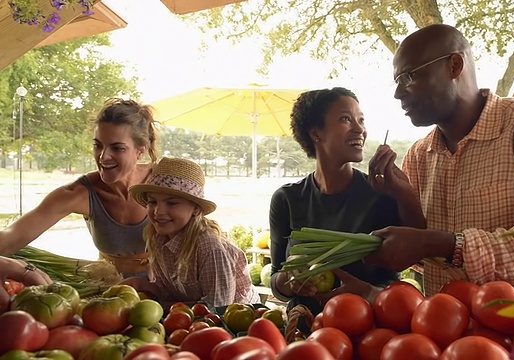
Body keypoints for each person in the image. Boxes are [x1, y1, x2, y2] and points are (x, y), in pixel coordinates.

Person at [365, 24, 514, 296]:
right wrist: (405, 200)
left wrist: (446, 244)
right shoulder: (418, 156)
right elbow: (425, 259)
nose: (398, 93)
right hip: (443, 334)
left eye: (408, 76)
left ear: (455, 65)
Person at [269, 87, 425, 317]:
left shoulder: (381, 194)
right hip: (305, 331)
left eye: (361, 120)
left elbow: (415, 258)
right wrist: (288, 280)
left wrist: (369, 293)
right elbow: (276, 279)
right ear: (315, 133)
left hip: (369, 330)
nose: (359, 129)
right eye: (346, 119)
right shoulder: (287, 199)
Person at [0, 98, 159, 278]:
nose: (103, 157)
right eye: (98, 145)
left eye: (117, 148)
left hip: (171, 293)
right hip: (113, 295)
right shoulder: (80, 194)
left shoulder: (163, 182)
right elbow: (9, 238)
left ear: (140, 151)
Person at [124, 157, 259, 307]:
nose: (158, 211)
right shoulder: (157, 239)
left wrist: (167, 308)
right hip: (192, 320)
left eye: (172, 203)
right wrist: (142, 285)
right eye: (152, 202)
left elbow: (218, 309)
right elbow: (168, 291)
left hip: (238, 322)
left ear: (196, 209)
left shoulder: (210, 248)